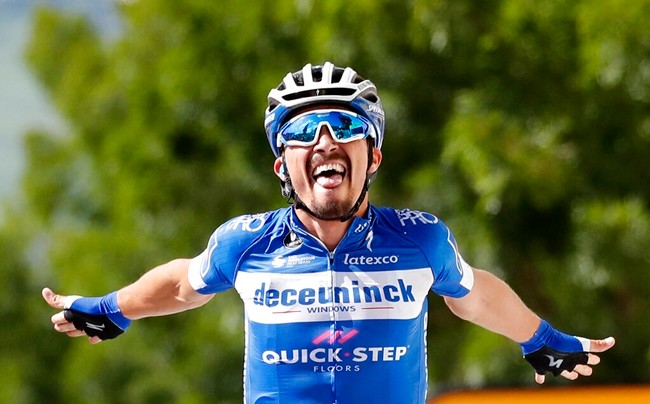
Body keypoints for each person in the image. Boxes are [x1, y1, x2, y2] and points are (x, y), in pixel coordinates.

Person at [43, 62, 615, 403]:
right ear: (281, 165)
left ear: (374, 156)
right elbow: (181, 285)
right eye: (303, 130)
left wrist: (538, 337)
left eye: (344, 124)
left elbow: (473, 294)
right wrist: (113, 308)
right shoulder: (245, 243)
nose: (325, 140)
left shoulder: (420, 240)